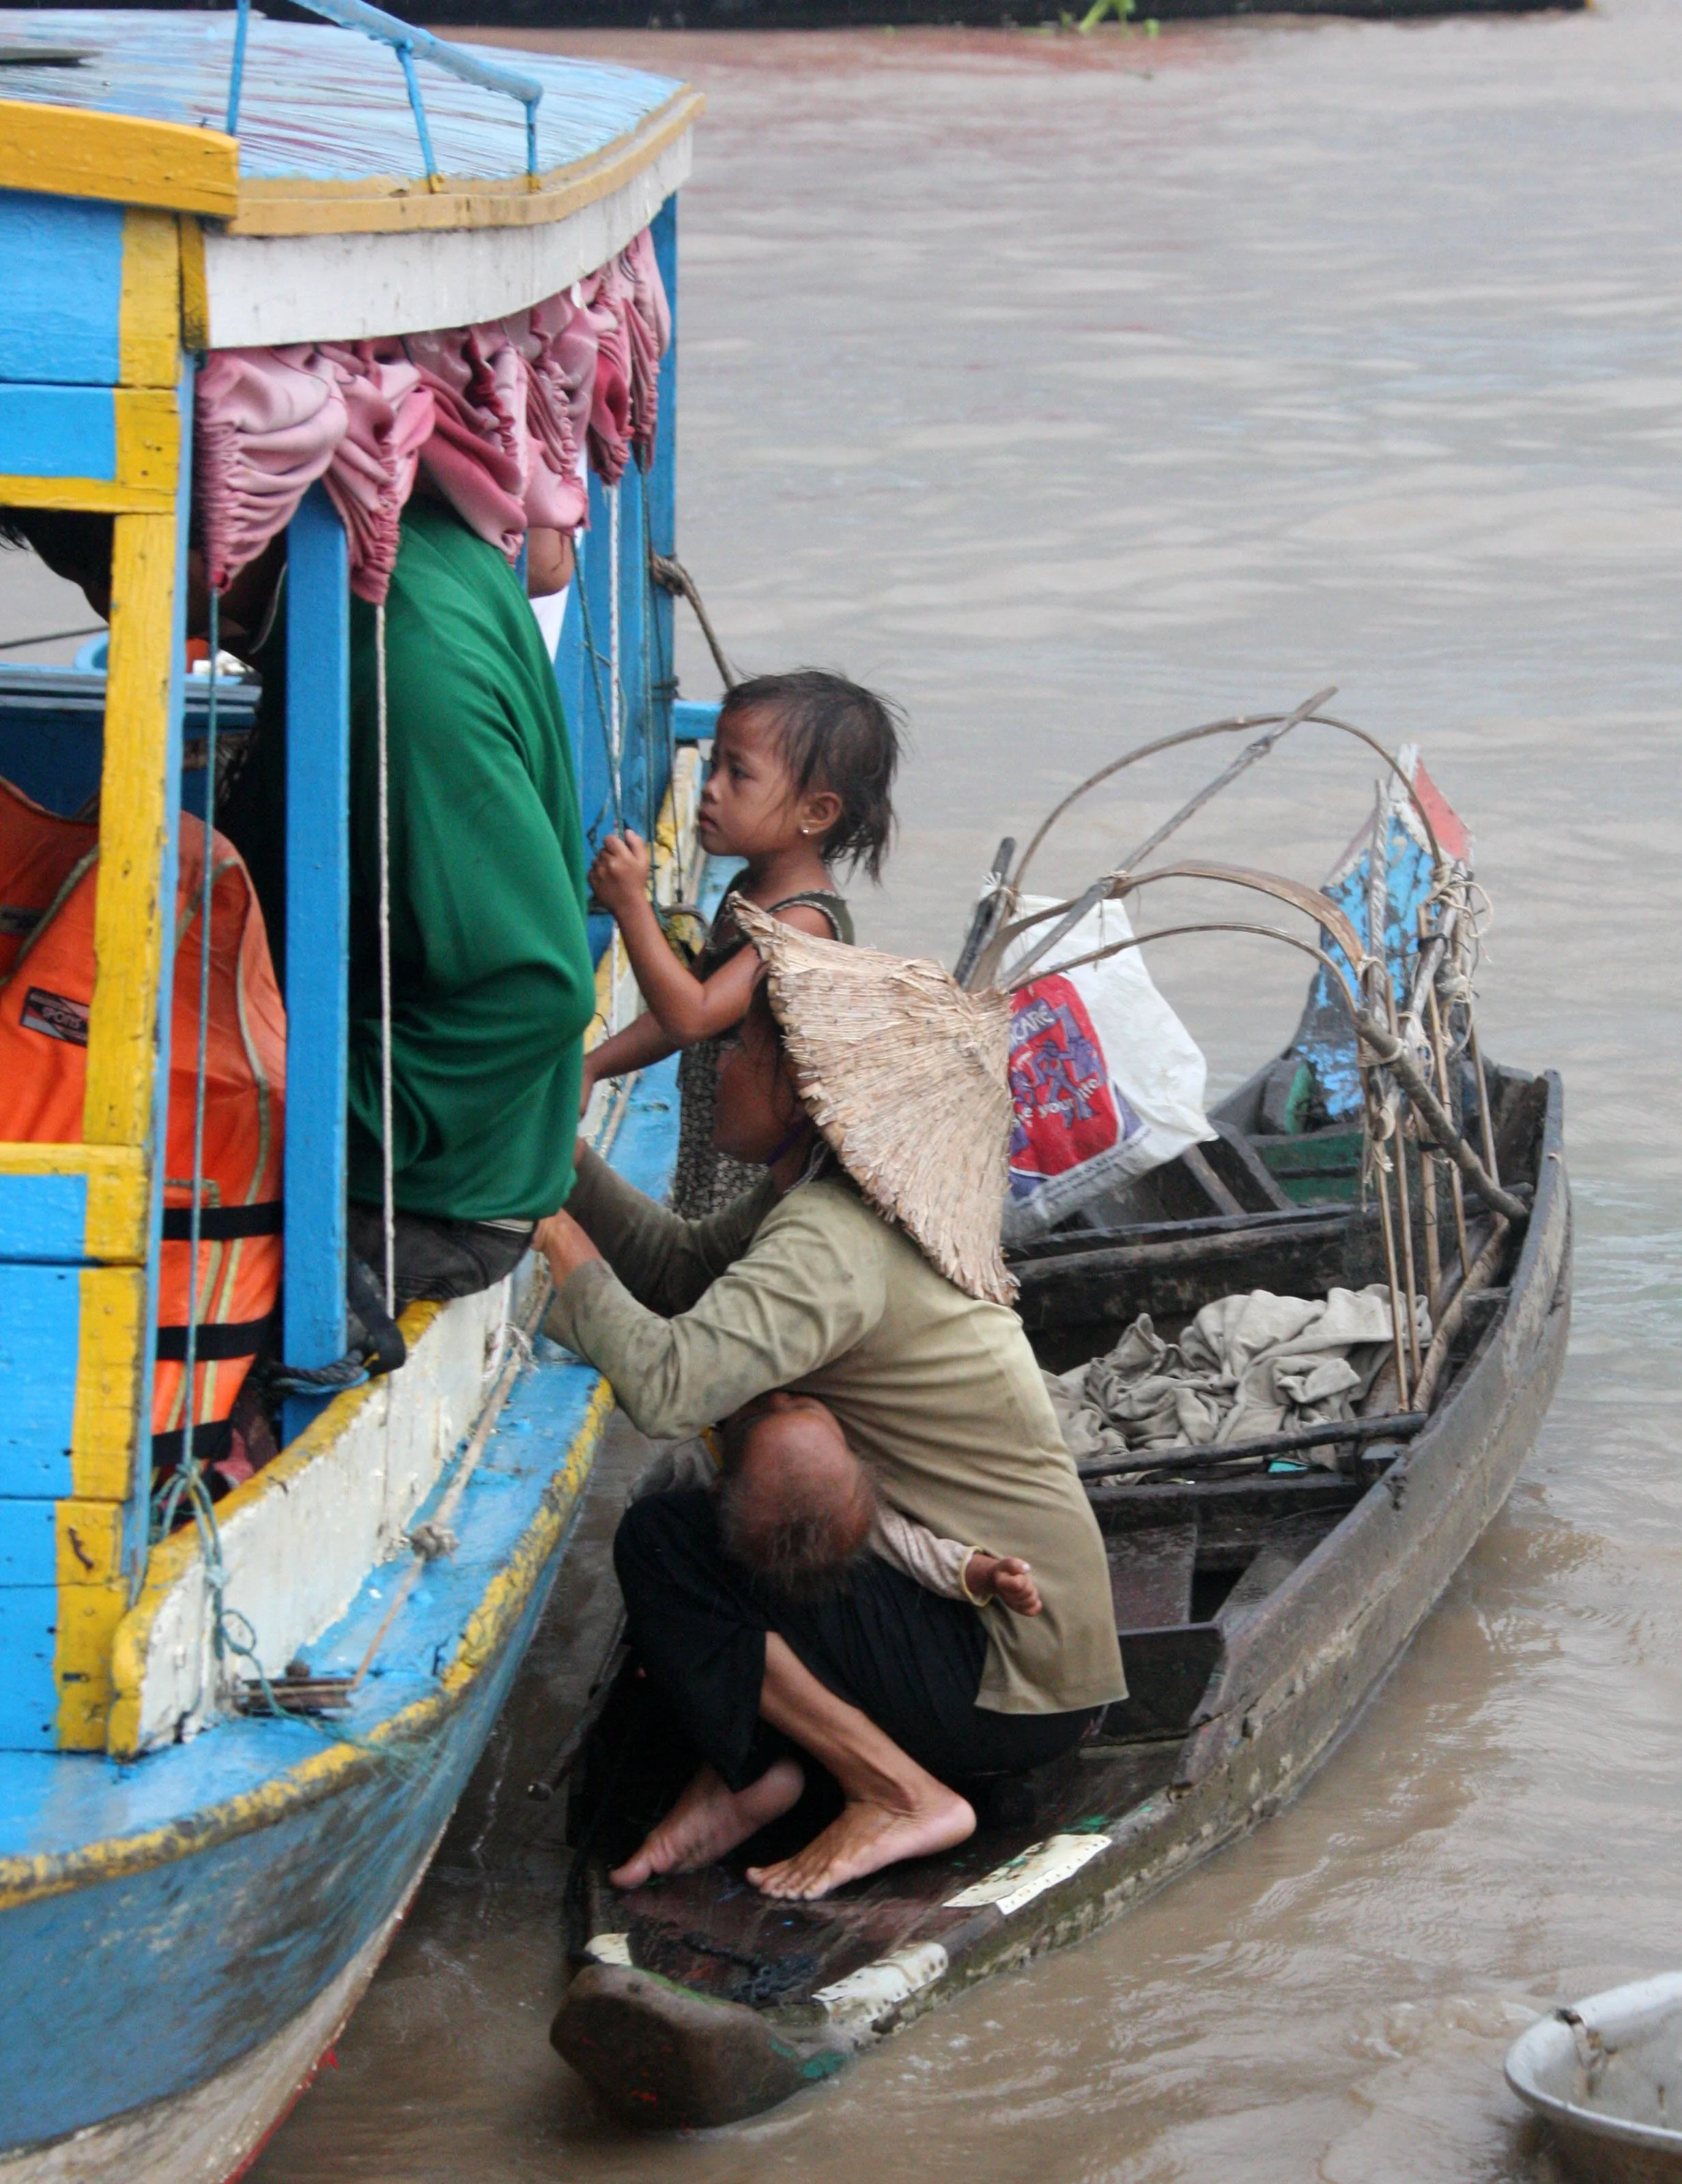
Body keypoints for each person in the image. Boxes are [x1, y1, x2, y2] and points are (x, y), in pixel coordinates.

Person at [537, 906, 1126, 1902]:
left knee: (667, 1546)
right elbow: (681, 1269)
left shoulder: (831, 1241)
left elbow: (668, 1388)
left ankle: (890, 1788)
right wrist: (560, 1158)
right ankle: (768, 1771)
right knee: (698, 1526)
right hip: (1017, 1647)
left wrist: (554, 1237)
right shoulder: (823, 1199)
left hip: (1004, 1669)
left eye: (742, 1051)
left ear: (804, 1086)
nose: (720, 1068)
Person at [4, 495, 599, 1315]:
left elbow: (534, 992)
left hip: (425, 1198)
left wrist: (295, 1124)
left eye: (109, 579)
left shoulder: (404, 670)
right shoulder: (383, 541)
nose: (111, 610)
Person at [580, 669, 900, 1216]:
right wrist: (592, 1066)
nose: (710, 787)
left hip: (762, 1183)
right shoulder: (746, 890)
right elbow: (677, 1008)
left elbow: (692, 1015)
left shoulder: (804, 923)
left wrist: (632, 906)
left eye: (739, 775)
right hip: (712, 1152)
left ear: (816, 812)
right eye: (713, 765)